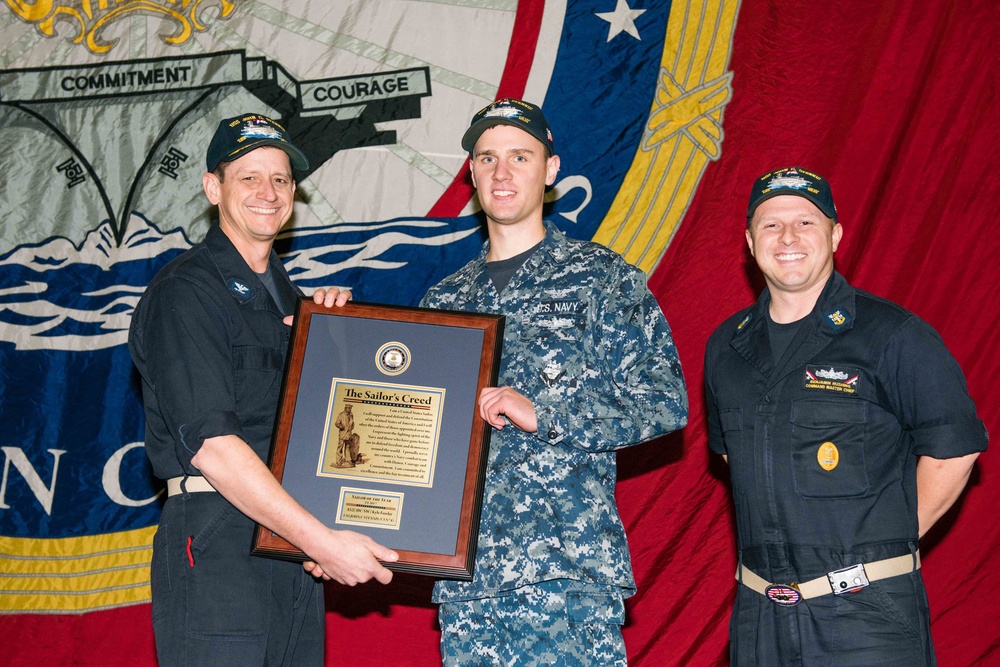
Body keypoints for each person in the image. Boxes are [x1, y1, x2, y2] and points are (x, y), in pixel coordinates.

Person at [420, 98, 688, 666]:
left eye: (521, 156)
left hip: (566, 573)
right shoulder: (444, 302)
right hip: (468, 581)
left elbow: (666, 401)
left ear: (551, 169)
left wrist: (549, 415)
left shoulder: (602, 280)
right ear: (470, 172)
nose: (502, 173)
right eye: (487, 158)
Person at [129, 113, 398, 666]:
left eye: (280, 179)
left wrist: (336, 340)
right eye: (248, 176)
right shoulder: (187, 292)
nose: (267, 192)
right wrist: (323, 541)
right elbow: (214, 448)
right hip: (220, 538)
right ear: (213, 187)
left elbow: (331, 438)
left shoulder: (295, 305)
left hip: (288, 540)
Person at [704, 166, 988, 665]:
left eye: (806, 223)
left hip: (864, 617)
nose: (788, 237)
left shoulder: (894, 335)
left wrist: (880, 546)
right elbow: (735, 456)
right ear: (750, 241)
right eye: (770, 225)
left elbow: (956, 450)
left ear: (835, 234)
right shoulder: (725, 346)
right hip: (759, 619)